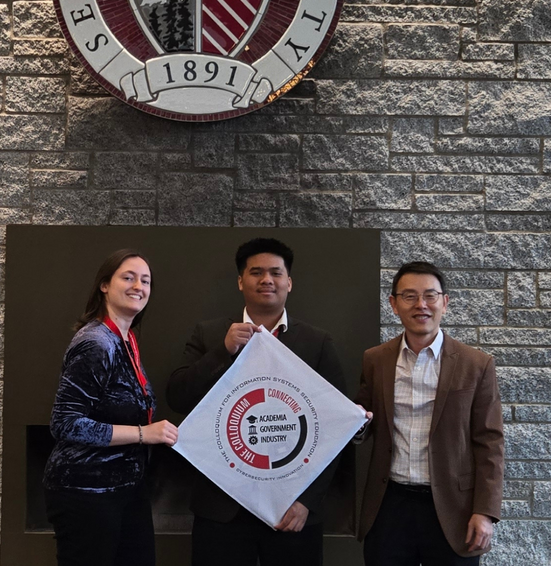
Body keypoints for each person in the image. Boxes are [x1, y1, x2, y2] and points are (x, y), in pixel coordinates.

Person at [167, 237, 346, 566]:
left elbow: (337, 427)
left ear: (289, 282)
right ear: (240, 281)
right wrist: (224, 350)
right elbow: (178, 397)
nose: (267, 280)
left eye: (276, 273)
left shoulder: (316, 342)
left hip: (292, 509)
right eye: (256, 272)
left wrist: (307, 500)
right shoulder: (210, 334)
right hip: (221, 508)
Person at [355, 261, 504, 566]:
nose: (421, 305)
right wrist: (356, 423)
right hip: (389, 504)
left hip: (454, 507)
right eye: (409, 296)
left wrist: (485, 511)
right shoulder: (375, 360)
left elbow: (490, 442)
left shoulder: (476, 364)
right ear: (394, 305)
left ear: (444, 303)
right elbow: (364, 421)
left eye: (430, 296)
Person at [43, 249, 179, 566]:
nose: (138, 286)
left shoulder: (126, 338)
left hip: (126, 487)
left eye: (145, 280)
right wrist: (145, 434)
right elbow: (65, 423)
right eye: (128, 277)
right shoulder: (96, 342)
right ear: (105, 285)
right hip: (86, 490)